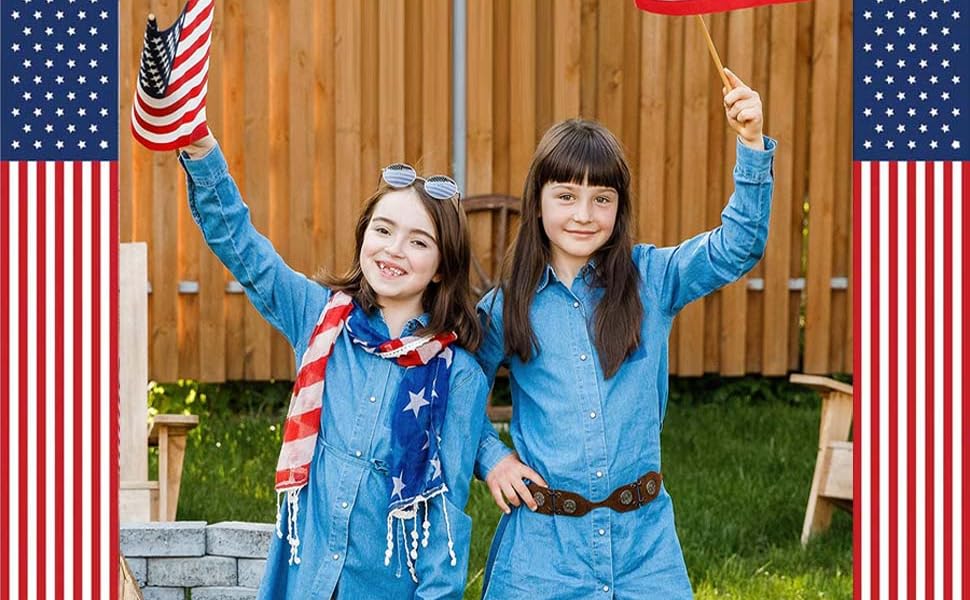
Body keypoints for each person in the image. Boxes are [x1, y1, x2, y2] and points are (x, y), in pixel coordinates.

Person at [474, 68, 776, 598]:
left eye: (602, 199)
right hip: (544, 552)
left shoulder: (654, 279)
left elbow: (738, 246)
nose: (584, 215)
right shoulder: (507, 304)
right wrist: (490, 456)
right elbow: (453, 386)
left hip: (645, 549)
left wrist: (750, 143)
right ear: (538, 201)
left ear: (619, 206)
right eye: (566, 197)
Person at [178, 133, 489, 599]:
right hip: (305, 583)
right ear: (364, 235)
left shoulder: (458, 375)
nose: (394, 249)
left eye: (418, 241)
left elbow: (445, 519)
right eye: (383, 230)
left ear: (442, 266)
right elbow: (243, 248)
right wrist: (202, 153)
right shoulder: (318, 318)